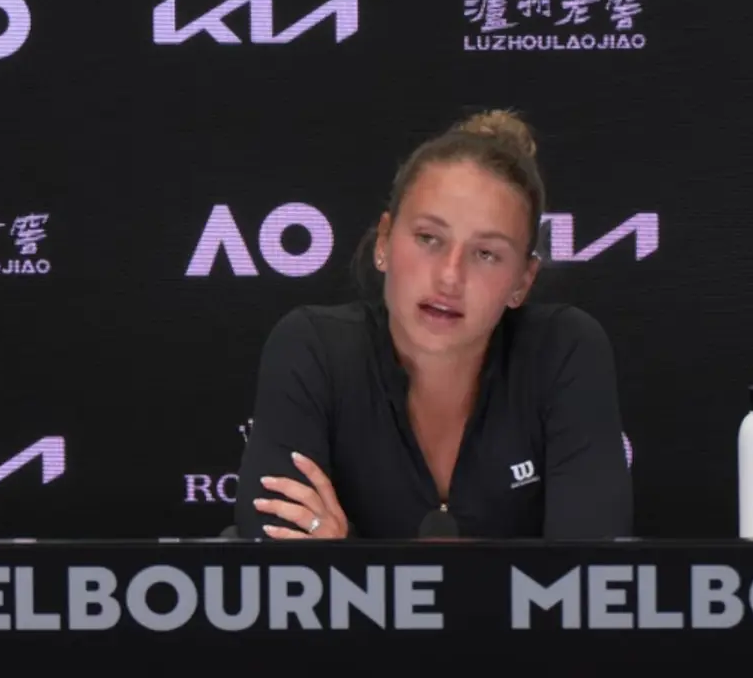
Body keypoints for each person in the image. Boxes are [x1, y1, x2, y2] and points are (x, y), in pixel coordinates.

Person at [233, 109, 633, 540]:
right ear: (384, 242)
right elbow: (272, 568)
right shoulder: (312, 348)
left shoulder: (565, 351)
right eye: (429, 239)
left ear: (522, 281)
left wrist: (345, 555)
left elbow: (588, 578)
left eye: (486, 254)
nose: (449, 277)